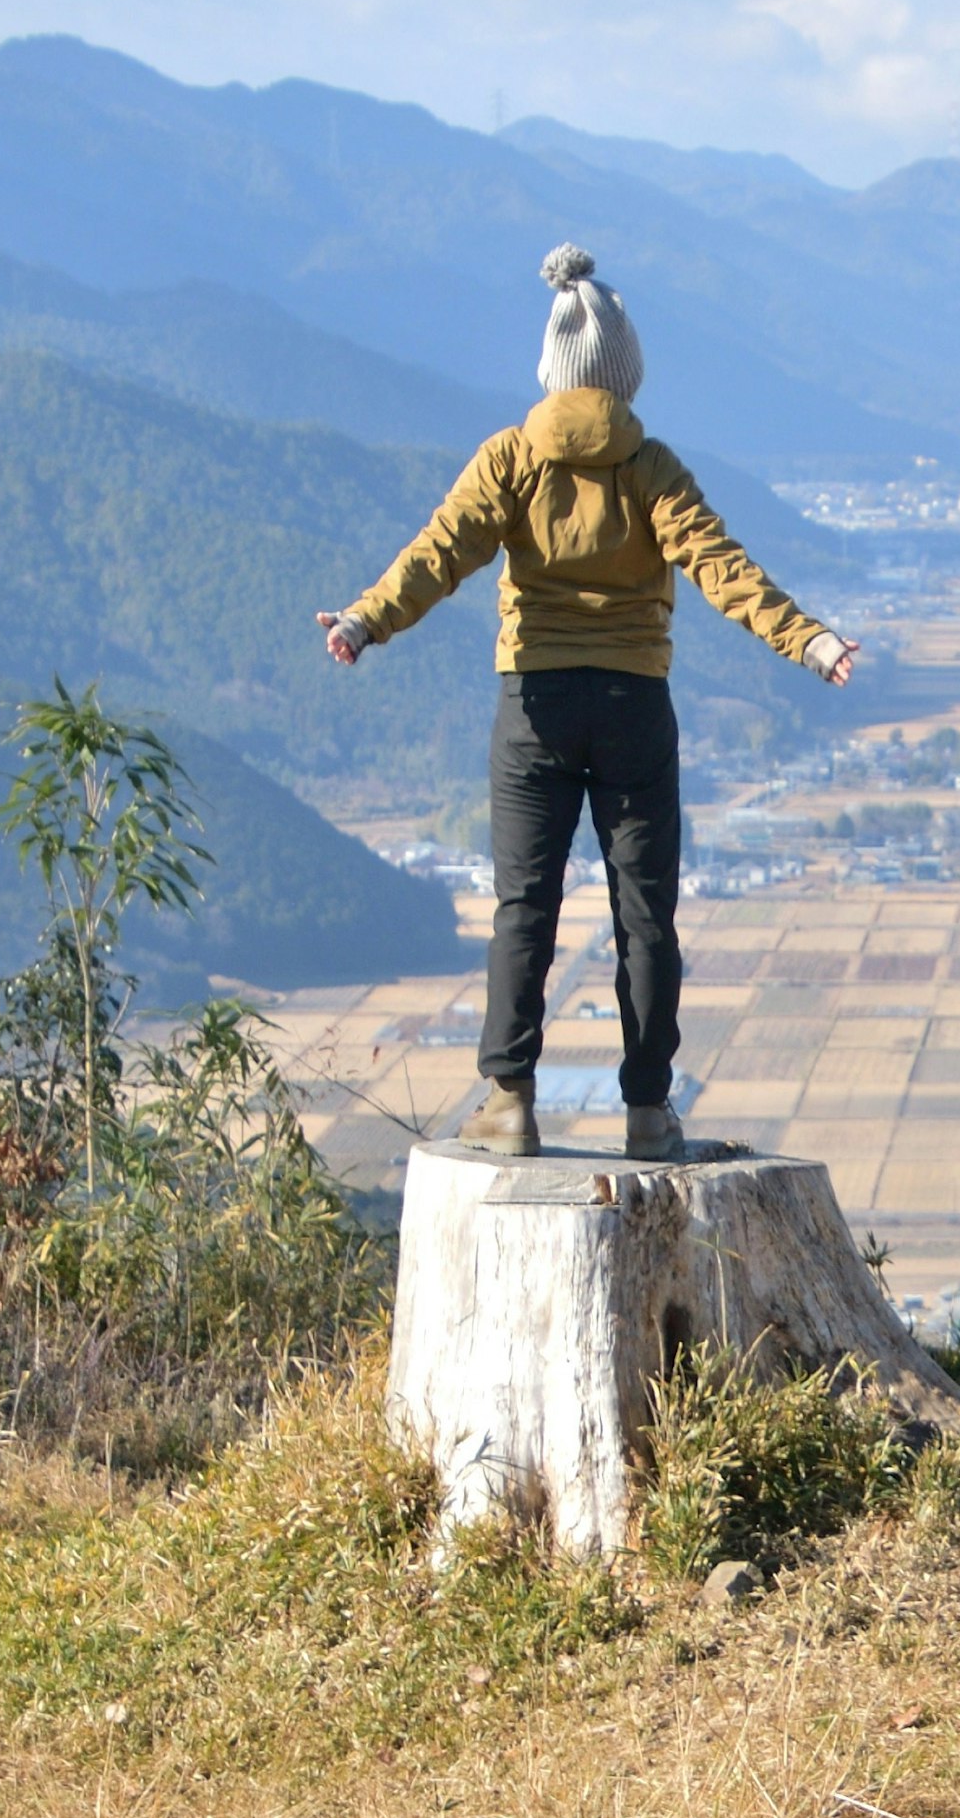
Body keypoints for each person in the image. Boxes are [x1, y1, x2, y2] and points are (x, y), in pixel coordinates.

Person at [317, 245, 856, 1159]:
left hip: (532, 703)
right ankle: (649, 1111)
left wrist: (368, 619)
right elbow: (723, 568)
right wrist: (807, 638)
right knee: (645, 913)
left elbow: (438, 552)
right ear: (626, 375)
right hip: (635, 704)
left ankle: (509, 1101)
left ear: (551, 370)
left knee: (523, 905)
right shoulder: (651, 466)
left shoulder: (511, 459)